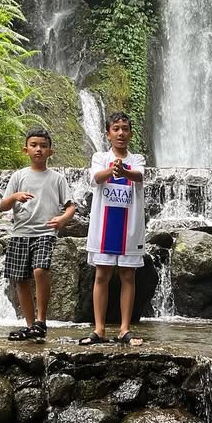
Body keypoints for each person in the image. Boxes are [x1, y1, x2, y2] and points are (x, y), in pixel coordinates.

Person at [0, 127, 76, 342]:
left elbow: (71, 206)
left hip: (45, 232)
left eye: (43, 146)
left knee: (40, 270)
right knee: (20, 279)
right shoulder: (19, 176)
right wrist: (15, 196)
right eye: (34, 145)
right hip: (20, 233)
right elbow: (2, 206)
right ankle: (30, 325)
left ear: (51, 151)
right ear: (26, 150)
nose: (38, 149)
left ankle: (41, 320)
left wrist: (62, 219)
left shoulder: (57, 178)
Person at [81, 112, 146, 346]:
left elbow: (138, 175)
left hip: (130, 227)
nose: (121, 133)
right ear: (108, 133)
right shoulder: (99, 157)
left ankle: (124, 329)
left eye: (125, 129)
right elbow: (97, 177)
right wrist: (112, 169)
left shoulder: (137, 159)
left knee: (128, 275)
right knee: (102, 274)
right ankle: (99, 329)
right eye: (116, 129)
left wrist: (124, 171)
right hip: (104, 226)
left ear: (131, 133)